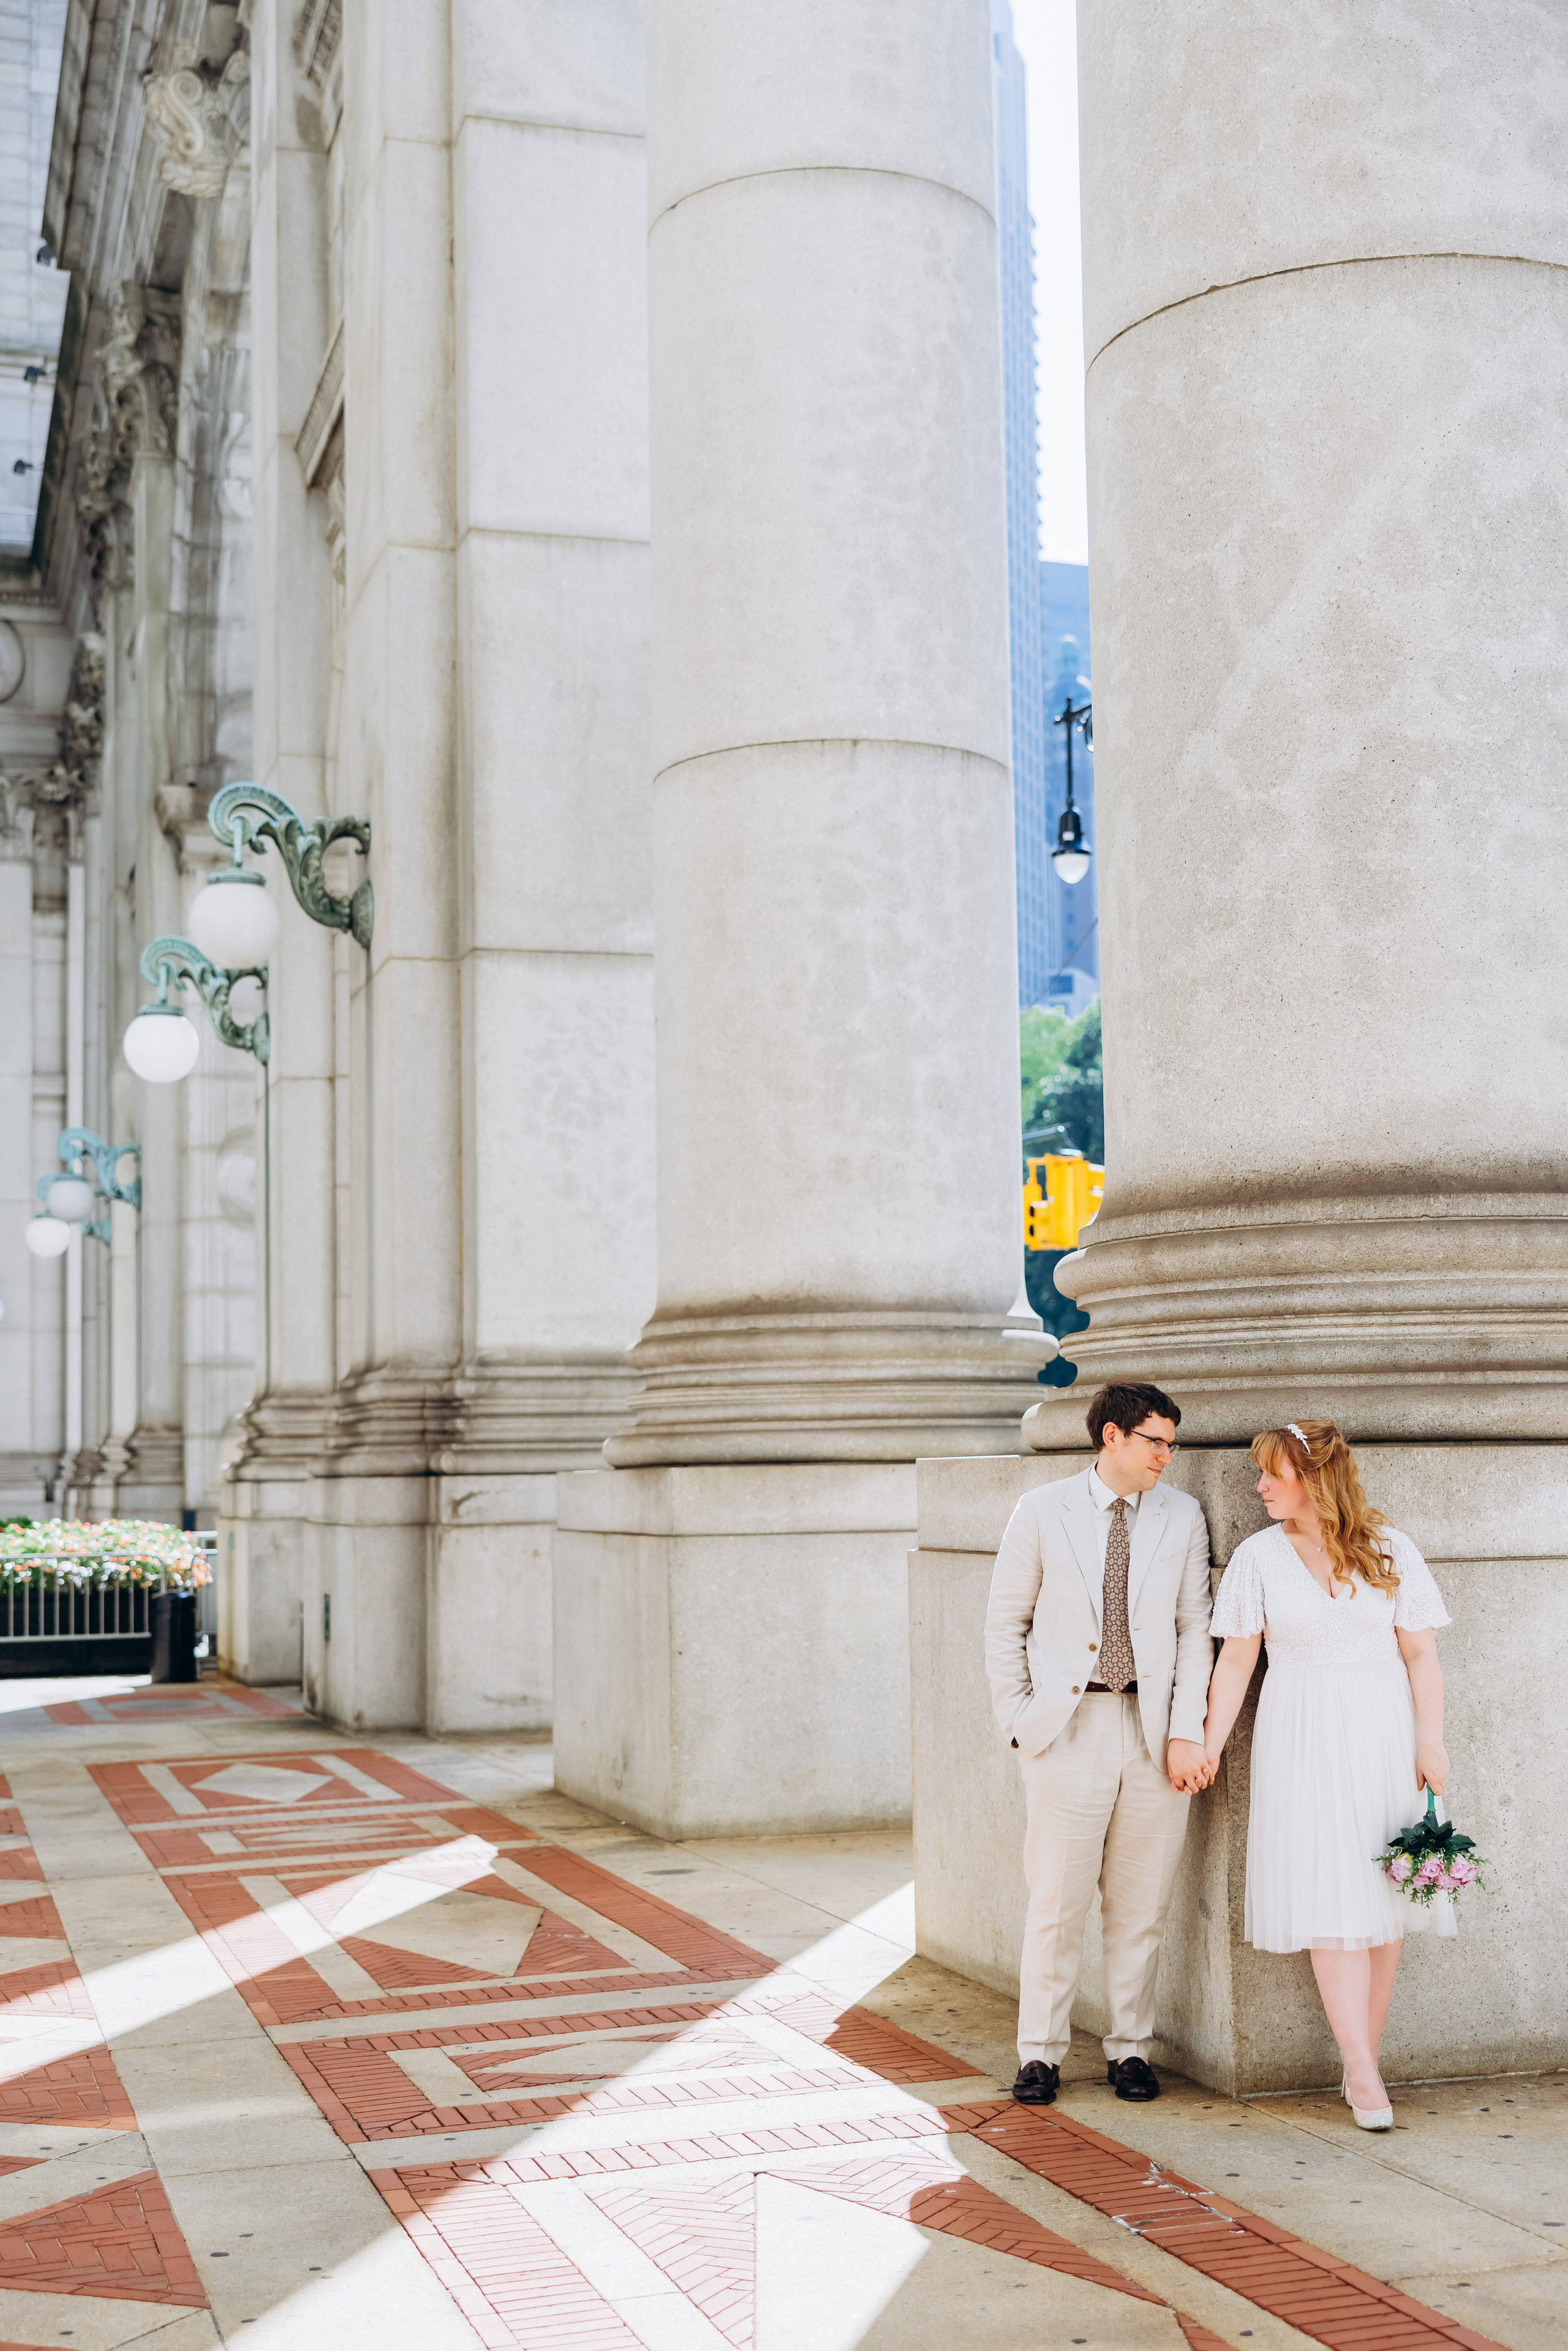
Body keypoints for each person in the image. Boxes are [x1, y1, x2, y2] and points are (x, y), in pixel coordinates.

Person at [1199, 1419, 1452, 2131]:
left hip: (1383, 1733)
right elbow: (1236, 1662)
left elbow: (1421, 1656)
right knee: (1329, 1897)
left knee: (1383, 1899)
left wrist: (1431, 1741)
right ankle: (1364, 2068)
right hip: (1301, 1734)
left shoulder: (1389, 1546)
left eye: (1273, 1474)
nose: (1260, 1486)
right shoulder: (1257, 1558)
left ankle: (1358, 2058)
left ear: (1313, 1478)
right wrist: (1211, 1745)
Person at [984, 1381, 1215, 2107]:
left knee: (1139, 1902)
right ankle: (1040, 2053)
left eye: (1171, 1445)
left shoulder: (1181, 1516)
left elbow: (1192, 1631)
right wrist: (1019, 1720)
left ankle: (1130, 2049)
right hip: (1066, 1726)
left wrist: (1186, 1732)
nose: (1165, 1458)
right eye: (1155, 1441)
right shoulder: (1040, 1510)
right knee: (1056, 1898)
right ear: (1111, 1436)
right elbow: (1005, 1623)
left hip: (1151, 1732)